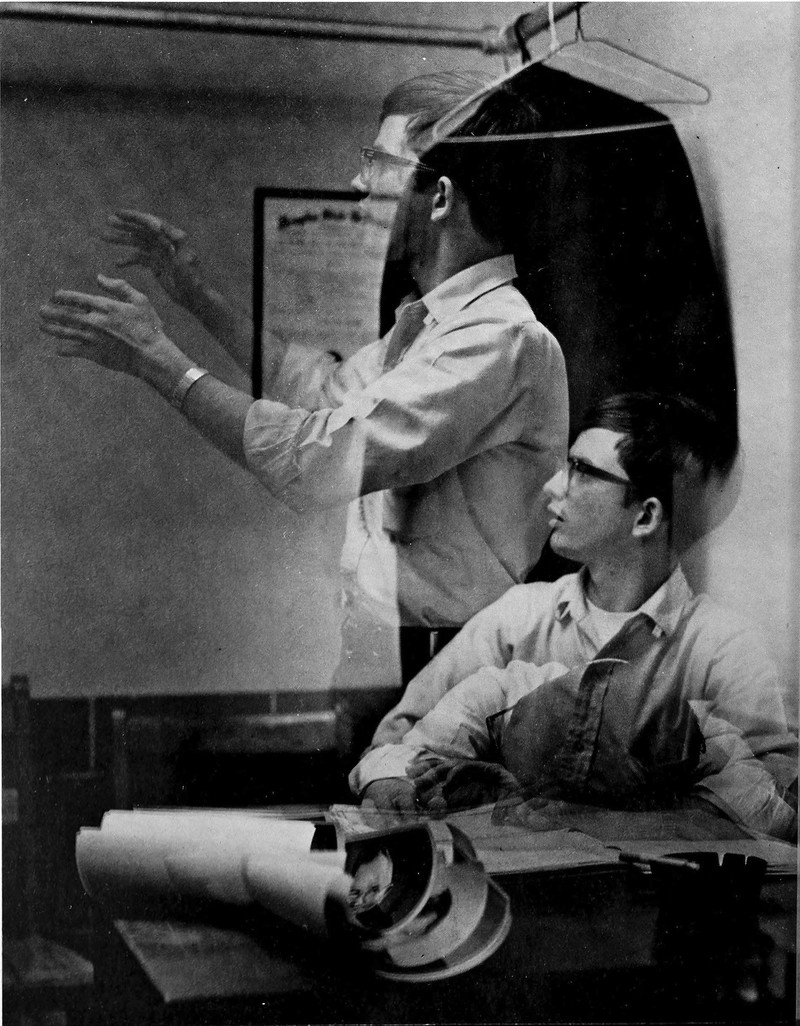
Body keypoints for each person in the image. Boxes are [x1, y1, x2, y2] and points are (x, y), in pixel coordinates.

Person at [39, 73, 569, 754]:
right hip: (381, 653)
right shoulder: (431, 328)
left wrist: (159, 362)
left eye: (378, 163)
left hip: (450, 665)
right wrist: (193, 294)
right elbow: (319, 393)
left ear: (439, 197)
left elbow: (318, 460)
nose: (358, 183)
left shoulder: (498, 338)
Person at [350, 393, 798, 842]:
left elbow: (780, 799)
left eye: (581, 470)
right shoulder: (518, 617)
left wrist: (622, 820)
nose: (553, 486)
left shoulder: (723, 646)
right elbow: (392, 745)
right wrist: (396, 783)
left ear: (646, 516)